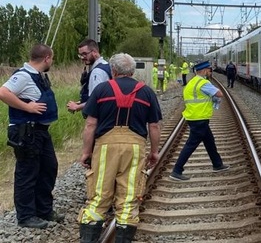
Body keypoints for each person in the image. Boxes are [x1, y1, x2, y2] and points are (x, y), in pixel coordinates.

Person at [77, 53, 162, 243]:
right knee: (129, 198)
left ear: (113, 71)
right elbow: (154, 127)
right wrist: (154, 152)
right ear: (132, 71)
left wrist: (86, 152)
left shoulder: (101, 90)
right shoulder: (147, 92)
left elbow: (90, 125)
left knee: (99, 196)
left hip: (105, 148)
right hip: (135, 148)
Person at [0, 43, 64, 229]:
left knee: (48, 169)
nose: (52, 61)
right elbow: (3, 92)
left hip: (40, 132)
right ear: (46, 58)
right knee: (27, 173)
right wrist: (27, 107)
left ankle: (44, 210)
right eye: (52, 58)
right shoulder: (23, 76)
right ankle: (26, 216)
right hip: (27, 132)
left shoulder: (38, 76)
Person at [170, 60, 230, 181]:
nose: (210, 72)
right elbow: (219, 94)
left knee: (209, 141)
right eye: (209, 70)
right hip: (200, 118)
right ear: (204, 70)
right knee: (191, 144)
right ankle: (176, 170)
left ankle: (217, 164)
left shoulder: (192, 82)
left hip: (194, 117)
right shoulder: (203, 82)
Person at [67, 39, 111, 116]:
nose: (82, 57)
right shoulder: (106, 65)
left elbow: (96, 99)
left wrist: (77, 107)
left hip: (98, 116)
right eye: (80, 55)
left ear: (95, 52)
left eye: (85, 54)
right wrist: (80, 102)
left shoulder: (97, 72)